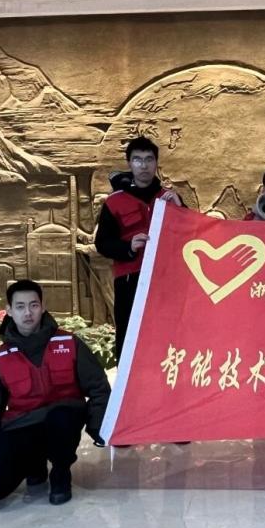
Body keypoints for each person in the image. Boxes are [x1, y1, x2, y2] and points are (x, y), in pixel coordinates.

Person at [0, 280, 111, 506]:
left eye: (34, 305)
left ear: (43, 306)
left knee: (61, 415)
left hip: (64, 421)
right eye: (20, 306)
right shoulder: (1, 357)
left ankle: (60, 472)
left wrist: (97, 427)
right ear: (9, 310)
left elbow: (99, 388)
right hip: (24, 425)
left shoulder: (68, 342)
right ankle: (34, 464)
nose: (28, 313)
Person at [95, 136, 183, 364]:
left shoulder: (169, 198)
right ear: (129, 163)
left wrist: (181, 209)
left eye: (149, 159)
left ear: (156, 163)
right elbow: (102, 243)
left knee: (168, 333)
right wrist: (128, 247)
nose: (144, 165)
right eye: (137, 160)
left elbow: (190, 235)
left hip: (166, 279)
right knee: (130, 336)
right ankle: (128, 383)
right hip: (130, 280)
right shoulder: (114, 201)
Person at [76, 192, 114, 325]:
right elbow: (95, 240)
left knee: (110, 296)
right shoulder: (100, 223)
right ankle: (99, 323)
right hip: (95, 265)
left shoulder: (111, 224)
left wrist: (84, 249)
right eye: (94, 204)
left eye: (98, 205)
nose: (94, 207)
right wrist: (79, 233)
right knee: (97, 296)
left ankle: (119, 325)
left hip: (106, 267)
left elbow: (105, 247)